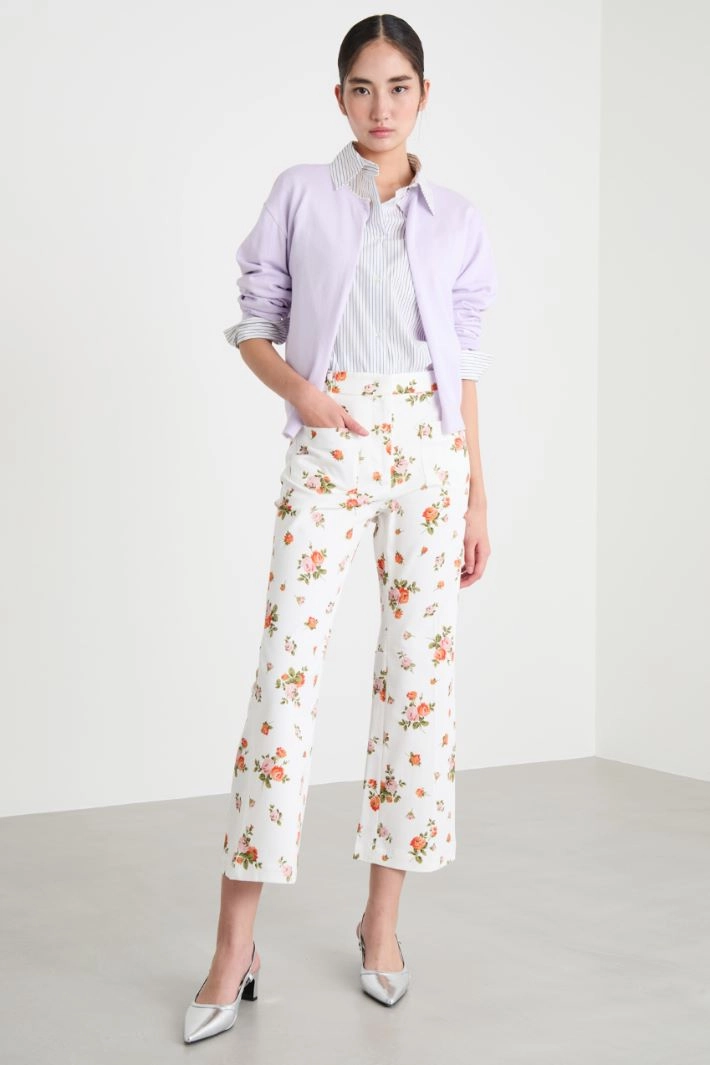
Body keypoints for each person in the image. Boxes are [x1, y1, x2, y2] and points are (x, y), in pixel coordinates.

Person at [184, 12, 498, 1043]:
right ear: (339, 98)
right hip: (331, 438)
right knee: (286, 674)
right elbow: (254, 322)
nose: (380, 106)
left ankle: (381, 924)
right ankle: (234, 947)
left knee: (417, 684)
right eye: (362, 88)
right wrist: (306, 398)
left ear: (423, 96)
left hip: (430, 456)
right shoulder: (300, 193)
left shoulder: (456, 219)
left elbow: (463, 367)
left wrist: (476, 496)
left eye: (398, 87)